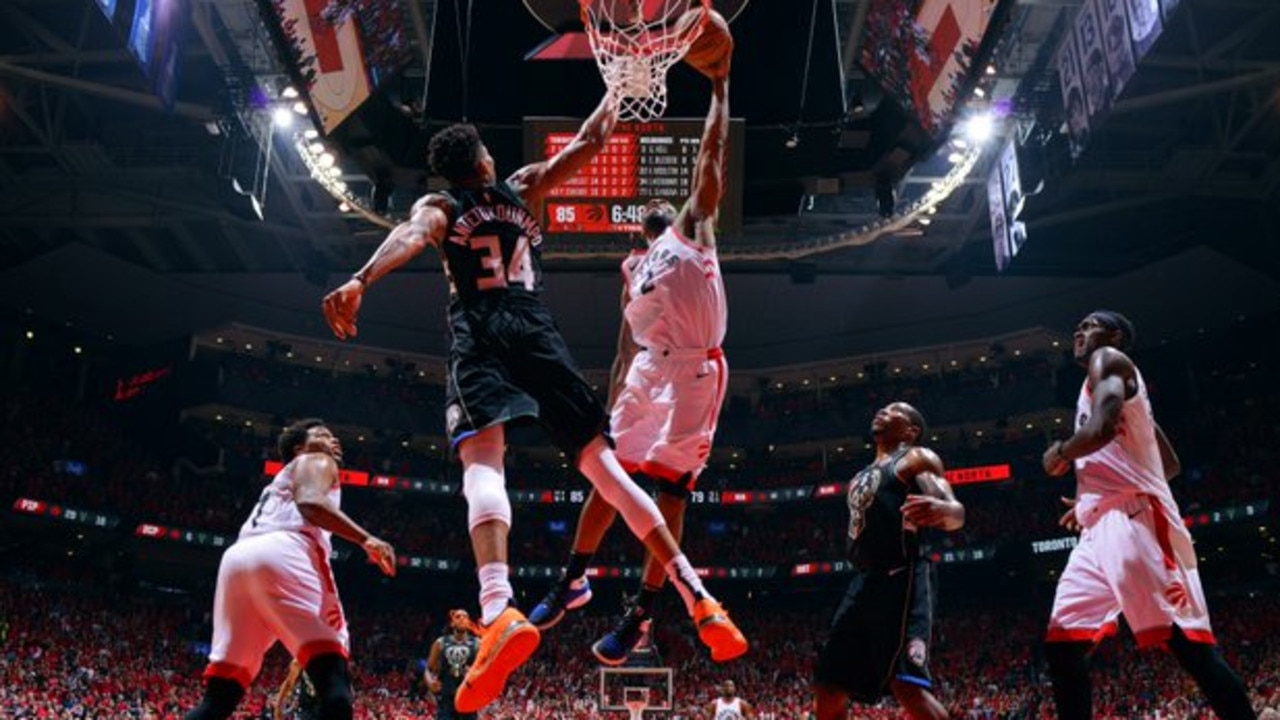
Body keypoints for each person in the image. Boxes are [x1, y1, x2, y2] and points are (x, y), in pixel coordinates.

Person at [320, 82, 746, 712]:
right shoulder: (520, 188)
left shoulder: (442, 205)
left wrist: (360, 280)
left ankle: (499, 607)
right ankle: (695, 595)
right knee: (606, 467)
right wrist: (617, 86)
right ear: (486, 162)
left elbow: (411, 234)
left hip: (482, 330)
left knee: (483, 463)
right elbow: (592, 141)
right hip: (536, 328)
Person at [527, 9, 736, 667]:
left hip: (696, 374)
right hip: (645, 372)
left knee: (669, 493)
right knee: (609, 473)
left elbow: (711, 154)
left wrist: (721, 90)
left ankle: (643, 615)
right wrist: (613, 398)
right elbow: (624, 344)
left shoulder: (693, 229)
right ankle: (574, 577)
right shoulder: (634, 266)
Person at [1041, 310, 1256, 720]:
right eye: (1079, 327)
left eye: (1090, 325)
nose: (1079, 331)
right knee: (1063, 645)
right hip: (1099, 527)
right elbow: (1169, 463)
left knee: (1190, 647)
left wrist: (1061, 452)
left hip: (1138, 521)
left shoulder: (1110, 360)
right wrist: (1095, 499)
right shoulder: (1108, 386)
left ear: (1115, 336)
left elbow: (1101, 429)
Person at [184, 419, 397, 720]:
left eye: (334, 436)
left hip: (237, 559)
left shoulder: (277, 483)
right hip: (287, 551)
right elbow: (310, 502)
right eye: (323, 435)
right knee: (333, 680)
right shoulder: (315, 460)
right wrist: (367, 539)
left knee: (220, 697)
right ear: (300, 447)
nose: (334, 441)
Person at [812, 402, 963, 720]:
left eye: (895, 411)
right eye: (881, 408)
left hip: (903, 574)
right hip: (863, 582)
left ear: (912, 431)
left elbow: (955, 511)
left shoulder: (916, 457)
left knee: (907, 686)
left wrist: (943, 511)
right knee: (828, 687)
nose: (882, 411)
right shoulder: (861, 474)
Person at [426, 609, 480, 720]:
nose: (461, 619)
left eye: (465, 617)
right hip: (446, 696)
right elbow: (428, 669)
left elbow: (486, 668)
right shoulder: (440, 643)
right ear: (452, 623)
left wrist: (474, 674)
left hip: (468, 697)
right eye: (458, 616)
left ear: (469, 623)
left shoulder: (477, 644)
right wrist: (430, 682)